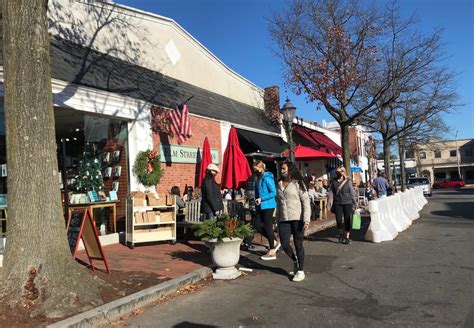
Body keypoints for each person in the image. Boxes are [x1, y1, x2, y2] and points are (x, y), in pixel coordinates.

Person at [276, 161, 311, 282]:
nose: (282, 170)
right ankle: (295, 260)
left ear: (290, 169)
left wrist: (306, 218)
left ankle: (300, 271)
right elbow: (279, 203)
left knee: (298, 244)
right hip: (284, 218)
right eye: (281, 168)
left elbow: (306, 201)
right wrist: (277, 219)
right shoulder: (279, 184)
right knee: (284, 244)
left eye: (284, 168)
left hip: (297, 217)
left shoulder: (297, 183)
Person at [253, 160, 280, 260]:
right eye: (254, 169)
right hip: (260, 206)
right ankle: (273, 240)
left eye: (256, 169)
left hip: (268, 205)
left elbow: (273, 192)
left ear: (261, 168)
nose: (254, 171)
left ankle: (272, 250)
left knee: (268, 226)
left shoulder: (267, 177)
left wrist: (262, 198)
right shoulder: (258, 177)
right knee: (256, 224)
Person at [328, 166, 357, 245]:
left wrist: (355, 203)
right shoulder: (333, 181)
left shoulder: (348, 181)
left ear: (343, 172)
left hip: (348, 202)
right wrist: (328, 204)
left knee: (348, 220)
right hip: (338, 202)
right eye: (337, 172)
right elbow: (331, 192)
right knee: (338, 219)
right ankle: (341, 233)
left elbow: (352, 193)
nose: (338, 173)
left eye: (340, 171)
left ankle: (347, 236)